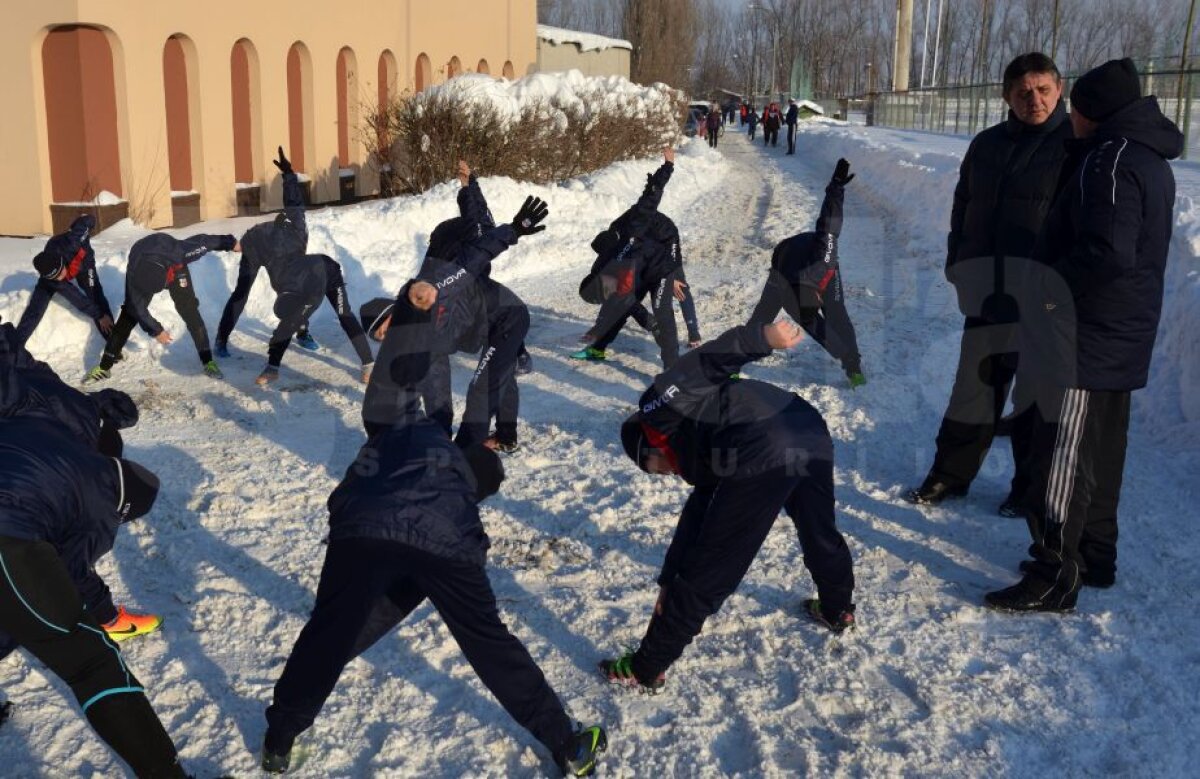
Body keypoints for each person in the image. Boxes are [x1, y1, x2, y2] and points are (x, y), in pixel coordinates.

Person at [261, 287, 607, 777]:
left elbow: (396, 377)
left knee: (331, 629)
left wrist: (413, 313)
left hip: (362, 523)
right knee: (489, 643)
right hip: (439, 544)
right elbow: (468, 572)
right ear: (475, 491)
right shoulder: (460, 507)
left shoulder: (408, 428)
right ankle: (567, 744)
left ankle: (279, 740)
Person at [985, 58, 1182, 612]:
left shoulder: (1111, 160)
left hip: (1086, 338)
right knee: (1100, 452)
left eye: (1072, 106)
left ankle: (1054, 573)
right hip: (1117, 333)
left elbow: (1107, 253)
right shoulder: (1143, 155)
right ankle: (1094, 555)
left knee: (1061, 457)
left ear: (1092, 111)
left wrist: (1047, 295)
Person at [599, 323, 857, 692]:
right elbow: (696, 519)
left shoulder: (656, 411)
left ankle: (646, 668)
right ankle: (837, 609)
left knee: (710, 570)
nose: (667, 475)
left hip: (763, 441)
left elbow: (700, 364)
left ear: (649, 447)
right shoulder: (705, 439)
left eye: (655, 469)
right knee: (819, 530)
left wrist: (760, 339)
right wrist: (668, 581)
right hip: (807, 426)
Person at [905, 53, 1072, 511]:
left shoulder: (1075, 146)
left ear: (1059, 90)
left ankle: (1029, 489)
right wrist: (957, 261)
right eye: (1023, 92)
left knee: (1036, 399)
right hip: (987, 290)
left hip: (1042, 296)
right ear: (1006, 97)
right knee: (974, 389)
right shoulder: (987, 144)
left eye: (1043, 90)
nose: (1034, 100)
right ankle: (949, 475)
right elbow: (963, 205)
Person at [0, 415, 189, 777]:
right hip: (6, 528)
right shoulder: (103, 507)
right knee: (93, 663)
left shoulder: (61, 437)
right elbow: (69, 574)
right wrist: (106, 616)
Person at [2, 321, 162, 643]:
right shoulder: (97, 508)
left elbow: (22, 371)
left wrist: (5, 342)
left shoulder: (56, 408)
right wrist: (107, 615)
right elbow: (70, 567)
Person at [360, 172, 547, 438]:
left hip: (508, 315)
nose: (389, 335)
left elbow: (474, 254)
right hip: (479, 320)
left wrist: (513, 229)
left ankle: (472, 450)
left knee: (483, 388)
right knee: (495, 373)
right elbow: (436, 391)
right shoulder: (416, 342)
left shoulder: (428, 290)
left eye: (386, 327)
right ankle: (504, 436)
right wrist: (439, 440)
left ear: (394, 311)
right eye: (382, 337)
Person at [216, 147, 375, 386]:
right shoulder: (263, 241)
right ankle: (223, 339)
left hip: (320, 272)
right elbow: (293, 201)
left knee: (325, 309)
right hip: (269, 253)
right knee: (243, 293)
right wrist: (289, 175)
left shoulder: (295, 227)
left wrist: (289, 175)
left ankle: (356, 358)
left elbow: (287, 323)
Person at [748, 159, 865, 387]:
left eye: (818, 300)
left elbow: (829, 222)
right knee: (764, 315)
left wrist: (836, 186)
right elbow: (763, 316)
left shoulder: (825, 257)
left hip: (811, 256)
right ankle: (736, 359)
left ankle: (854, 367)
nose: (820, 303)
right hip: (785, 265)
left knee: (837, 314)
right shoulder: (785, 288)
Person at [82, 227, 239, 384]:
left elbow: (205, 241)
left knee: (189, 310)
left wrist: (231, 243)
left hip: (174, 269)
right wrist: (156, 330)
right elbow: (137, 308)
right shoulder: (134, 272)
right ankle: (104, 367)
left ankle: (208, 361)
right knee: (130, 313)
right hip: (145, 265)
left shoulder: (180, 252)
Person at [572, 149, 683, 368]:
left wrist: (668, 166)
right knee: (618, 307)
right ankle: (597, 349)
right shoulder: (604, 267)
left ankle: (672, 366)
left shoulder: (634, 225)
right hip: (639, 271)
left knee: (662, 314)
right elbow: (624, 300)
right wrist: (645, 320)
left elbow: (652, 194)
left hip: (660, 269)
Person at [13, 213, 114, 347]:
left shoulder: (73, 241)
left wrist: (82, 223)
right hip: (54, 273)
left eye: (60, 273)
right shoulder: (52, 278)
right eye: (56, 277)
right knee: (35, 308)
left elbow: (88, 219)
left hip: (84, 268)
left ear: (61, 263)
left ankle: (113, 342)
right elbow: (76, 297)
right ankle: (14, 347)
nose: (61, 278)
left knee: (95, 294)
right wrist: (98, 315)